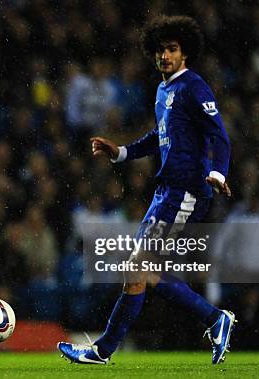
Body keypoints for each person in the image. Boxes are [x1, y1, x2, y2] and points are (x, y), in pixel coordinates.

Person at [58, 16, 234, 365]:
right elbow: (160, 136)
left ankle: (102, 351)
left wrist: (217, 171)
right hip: (165, 192)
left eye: (172, 49)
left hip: (186, 191)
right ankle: (215, 319)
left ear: (185, 54)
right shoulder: (163, 90)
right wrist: (122, 152)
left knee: (137, 269)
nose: (165, 56)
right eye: (160, 50)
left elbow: (219, 134)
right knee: (141, 273)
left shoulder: (193, 86)